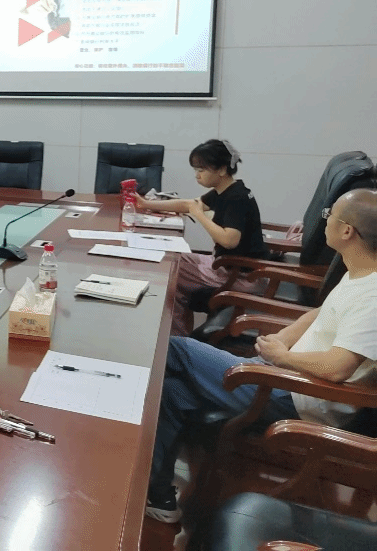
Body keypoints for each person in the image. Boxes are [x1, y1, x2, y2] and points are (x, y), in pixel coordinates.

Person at [146, 188, 377, 523]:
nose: (323, 220)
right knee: (172, 392)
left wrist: (283, 358)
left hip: (296, 396)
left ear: (347, 232)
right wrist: (285, 337)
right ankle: (159, 497)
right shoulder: (359, 272)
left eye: (330, 215)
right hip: (283, 377)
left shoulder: (373, 297)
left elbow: (339, 368)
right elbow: (321, 314)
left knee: (173, 348)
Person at [135, 140, 267, 336]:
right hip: (229, 266)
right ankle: (179, 332)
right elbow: (189, 204)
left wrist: (199, 215)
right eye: (195, 170)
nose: (197, 175)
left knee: (170, 273)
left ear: (222, 169)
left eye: (201, 170)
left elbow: (229, 240)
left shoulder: (236, 198)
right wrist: (146, 204)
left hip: (240, 276)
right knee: (171, 258)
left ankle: (178, 339)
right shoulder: (227, 191)